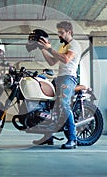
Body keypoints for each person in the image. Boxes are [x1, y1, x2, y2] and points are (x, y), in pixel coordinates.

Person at [33, 21, 82, 149]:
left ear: (69, 32)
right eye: (58, 32)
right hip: (59, 78)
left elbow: (66, 59)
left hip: (69, 78)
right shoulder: (63, 47)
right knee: (49, 105)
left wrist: (50, 48)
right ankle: (48, 137)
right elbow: (51, 62)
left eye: (61, 32)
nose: (59, 35)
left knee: (64, 105)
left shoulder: (74, 45)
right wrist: (43, 49)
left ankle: (73, 139)